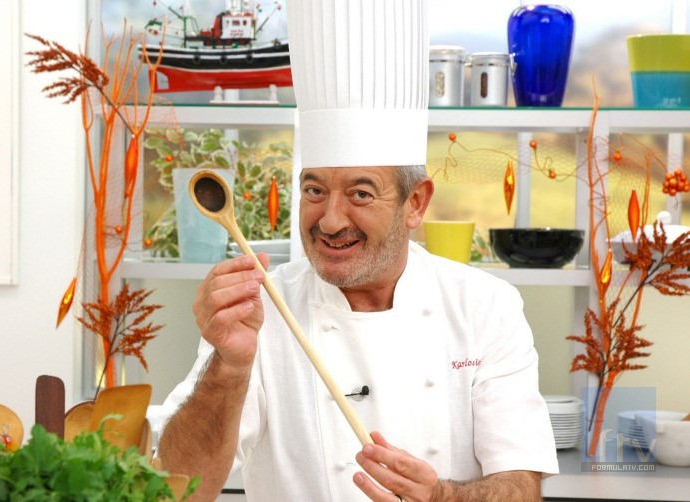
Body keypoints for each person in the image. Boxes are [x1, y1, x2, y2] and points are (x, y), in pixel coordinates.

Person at [156, 1, 558, 500]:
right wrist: (228, 366)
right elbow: (176, 491)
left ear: (415, 203)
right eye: (314, 190)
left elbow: (521, 488)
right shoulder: (262, 312)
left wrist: (442, 496)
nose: (329, 220)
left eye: (361, 194)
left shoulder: (483, 306)